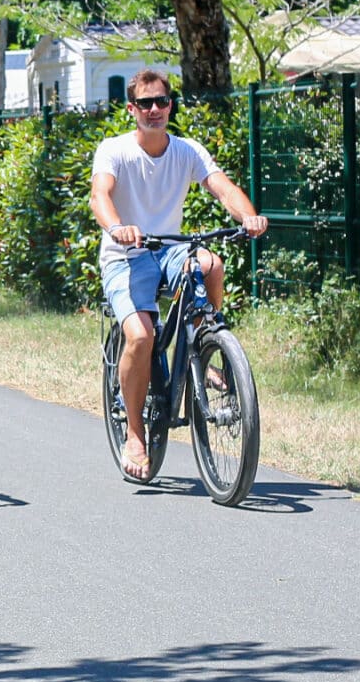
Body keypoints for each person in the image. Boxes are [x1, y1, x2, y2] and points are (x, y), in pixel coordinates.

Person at [91, 69, 267, 481]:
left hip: (169, 248)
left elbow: (222, 187)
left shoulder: (186, 150)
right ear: (132, 109)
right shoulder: (114, 150)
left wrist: (249, 216)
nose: (155, 110)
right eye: (146, 103)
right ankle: (135, 433)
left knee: (211, 265)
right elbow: (100, 194)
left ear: (171, 105)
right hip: (125, 254)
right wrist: (118, 226)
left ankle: (203, 342)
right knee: (141, 335)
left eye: (162, 102)